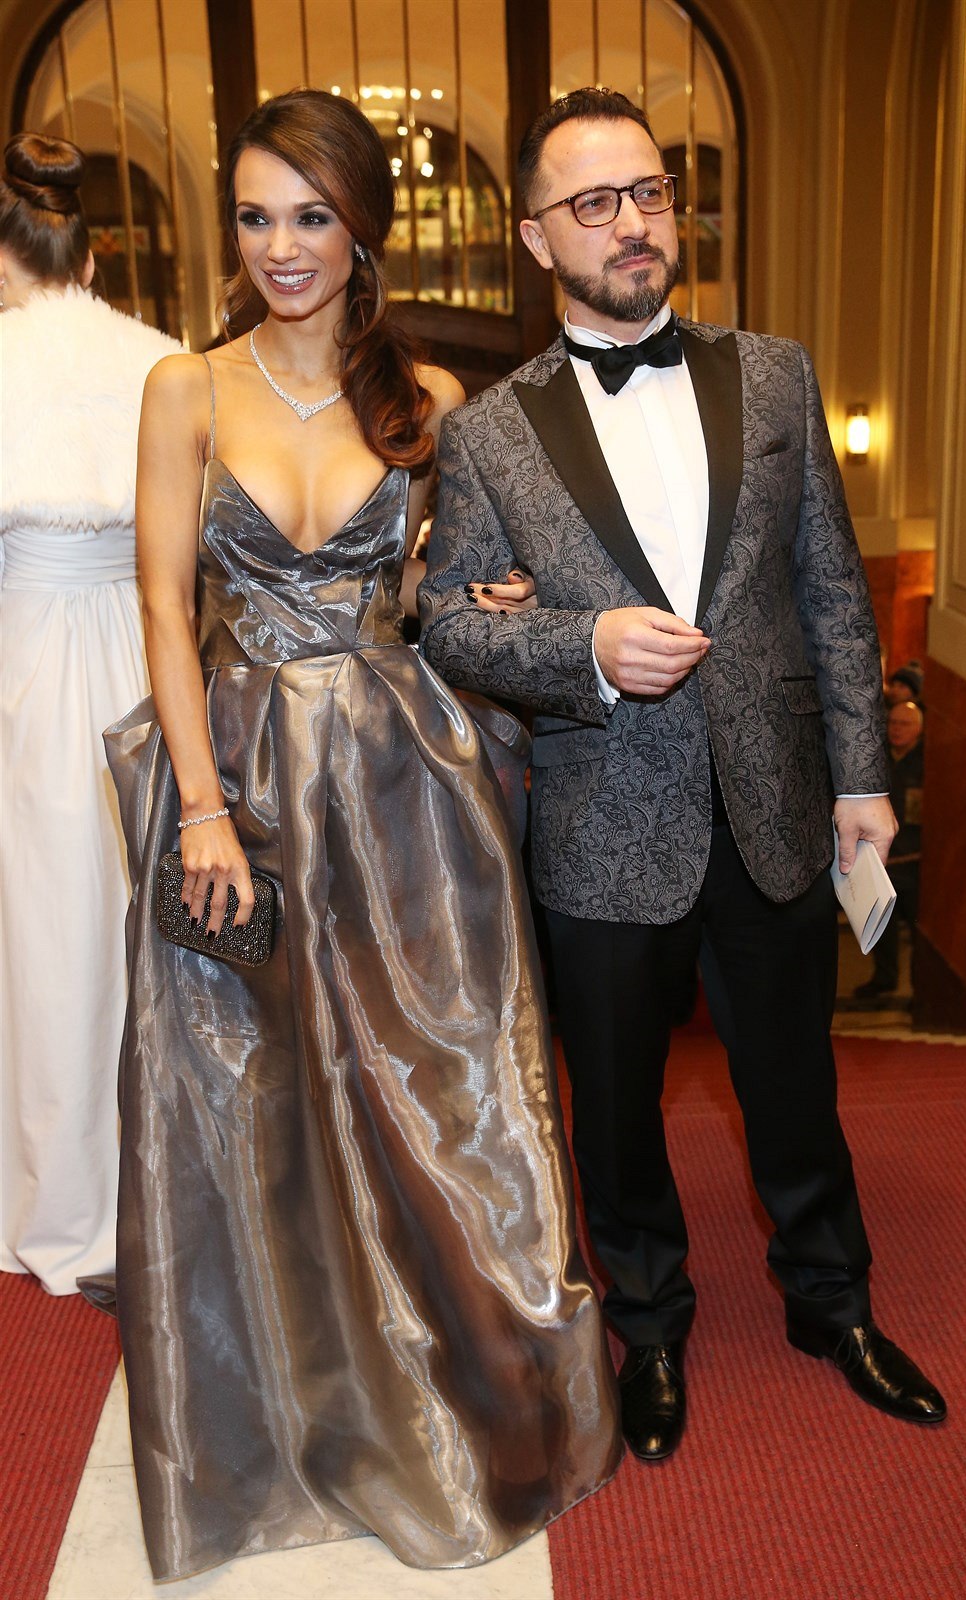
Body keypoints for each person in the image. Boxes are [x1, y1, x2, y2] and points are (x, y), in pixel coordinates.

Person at [100, 89, 620, 1582]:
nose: (280, 247)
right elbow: (162, 610)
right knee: (254, 1102)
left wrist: (483, 601)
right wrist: (203, 811)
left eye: (310, 216)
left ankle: (475, 1407)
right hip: (244, 778)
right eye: (255, 216)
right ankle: (295, 1419)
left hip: (402, 786)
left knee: (442, 1087)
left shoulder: (428, 404)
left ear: (361, 231)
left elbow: (432, 599)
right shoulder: (184, 390)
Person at [419, 87, 946, 1464]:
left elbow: (829, 590)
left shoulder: (773, 375)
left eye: (648, 192)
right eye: (591, 203)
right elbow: (450, 622)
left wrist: (861, 776)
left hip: (774, 801)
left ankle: (832, 1305)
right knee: (614, 1108)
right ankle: (648, 1328)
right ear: (535, 237)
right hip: (598, 820)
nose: (630, 223)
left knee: (794, 1083)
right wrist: (582, 645)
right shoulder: (487, 432)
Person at [0, 133, 178, 1295]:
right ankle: (152, 1182)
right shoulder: (164, 359)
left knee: (38, 934)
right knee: (135, 925)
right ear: (96, 253)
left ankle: (50, 1196)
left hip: (25, 662)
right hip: (146, 656)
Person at [855, 699, 925, 1000]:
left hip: (916, 860)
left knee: (919, 929)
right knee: (881, 924)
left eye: (904, 724)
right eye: (893, 723)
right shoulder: (878, 757)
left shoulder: (927, 762)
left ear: (918, 729)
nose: (897, 729)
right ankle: (884, 978)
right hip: (881, 859)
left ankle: (922, 989)